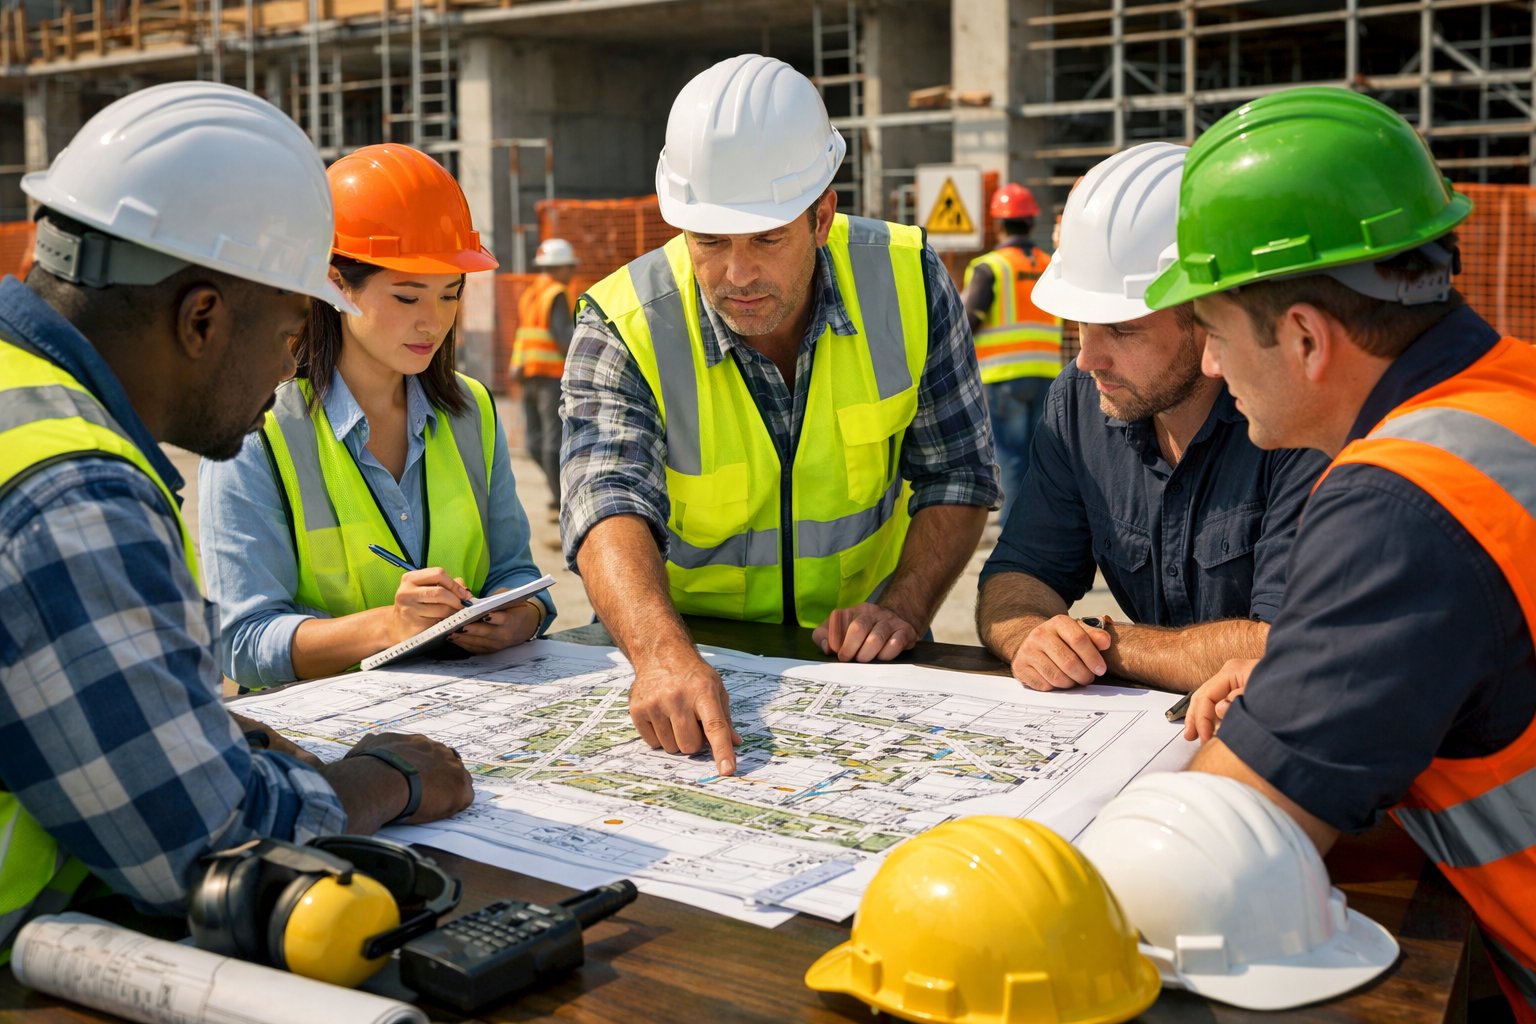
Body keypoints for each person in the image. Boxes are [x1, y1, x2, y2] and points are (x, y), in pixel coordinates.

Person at [0, 83, 472, 949]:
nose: (294, 363)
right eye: (295, 331)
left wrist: (201, 730)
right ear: (203, 318)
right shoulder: (68, 493)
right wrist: (380, 779)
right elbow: (201, 847)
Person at [1148, 88, 1536, 1020]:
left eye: (1211, 330)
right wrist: (1309, 673)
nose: (1207, 366)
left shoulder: (1400, 502)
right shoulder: (1507, 395)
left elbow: (1202, 866)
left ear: (1307, 337)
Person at [561, 54, 999, 777]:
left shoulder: (909, 279)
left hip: (854, 662)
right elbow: (605, 499)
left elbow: (957, 471)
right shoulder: (623, 321)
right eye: (710, 242)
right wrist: (661, 652)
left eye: (766, 239)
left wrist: (905, 607)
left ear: (822, 214)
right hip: (681, 652)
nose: (737, 274)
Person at [976, 143, 1327, 693]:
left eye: (1121, 329)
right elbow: (1019, 573)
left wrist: (1104, 642)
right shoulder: (1078, 402)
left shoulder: (1300, 421)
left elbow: (1283, 647)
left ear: (1208, 315)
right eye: (1080, 325)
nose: (1089, 359)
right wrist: (1030, 637)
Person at [200, 143, 553, 688]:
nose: (433, 323)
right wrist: (388, 626)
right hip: (320, 747)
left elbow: (516, 573)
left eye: (450, 295)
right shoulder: (256, 431)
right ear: (336, 284)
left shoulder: (472, 412)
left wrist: (518, 617)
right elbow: (243, 643)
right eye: (408, 298)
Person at [962, 182, 1063, 520]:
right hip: (1048, 375)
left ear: (998, 224)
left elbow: (965, 323)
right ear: (1032, 222)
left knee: (1010, 458)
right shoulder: (1050, 264)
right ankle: (1039, 529)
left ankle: (1012, 535)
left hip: (1003, 377)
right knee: (1040, 459)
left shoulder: (990, 267)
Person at [510, 237, 578, 525]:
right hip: (551, 376)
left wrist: (516, 364)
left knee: (535, 441)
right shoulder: (557, 294)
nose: (572, 272)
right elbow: (565, 337)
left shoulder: (531, 293)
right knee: (553, 442)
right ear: (560, 267)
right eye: (570, 266)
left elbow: (524, 334)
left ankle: (557, 496)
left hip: (528, 374)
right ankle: (564, 500)